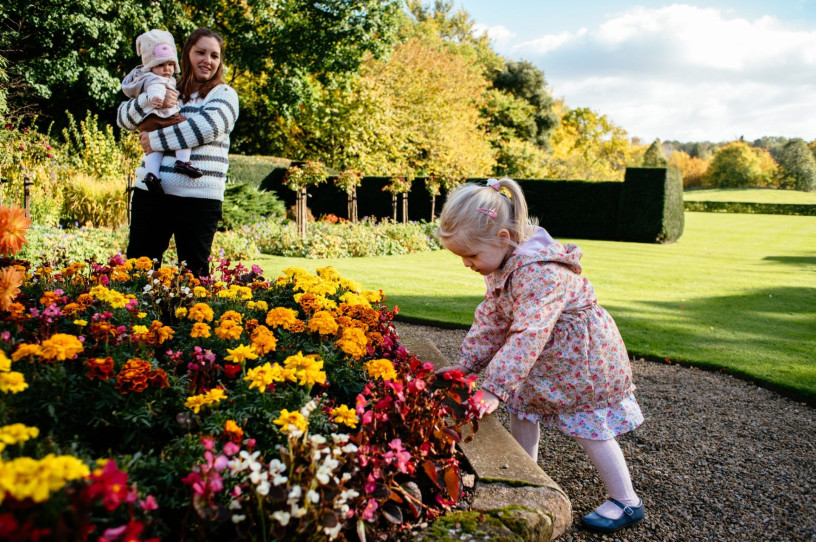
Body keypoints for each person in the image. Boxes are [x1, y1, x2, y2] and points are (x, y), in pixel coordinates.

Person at [435, 177, 645, 533]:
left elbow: (528, 333)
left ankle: (626, 501)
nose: (467, 264)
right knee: (523, 410)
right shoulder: (505, 263)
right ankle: (524, 478)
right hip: (546, 358)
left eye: (471, 255)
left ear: (503, 238)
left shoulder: (540, 273)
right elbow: (492, 319)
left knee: (589, 425)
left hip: (581, 361)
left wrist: (495, 387)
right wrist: (468, 365)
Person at [117, 28, 239, 277]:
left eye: (214, 55)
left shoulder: (224, 94)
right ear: (186, 55)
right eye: (200, 52)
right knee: (137, 272)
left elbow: (205, 128)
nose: (208, 60)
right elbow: (123, 118)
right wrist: (151, 99)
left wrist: (153, 140)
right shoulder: (164, 87)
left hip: (199, 199)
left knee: (194, 276)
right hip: (151, 194)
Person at [121, 29, 203, 194]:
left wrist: (152, 139)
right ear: (151, 66)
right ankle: (182, 161)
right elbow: (155, 89)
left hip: (148, 124)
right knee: (183, 129)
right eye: (161, 65)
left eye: (170, 64)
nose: (166, 69)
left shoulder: (147, 78)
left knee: (153, 149)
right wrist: (157, 100)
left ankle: (152, 175)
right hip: (164, 117)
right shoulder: (155, 79)